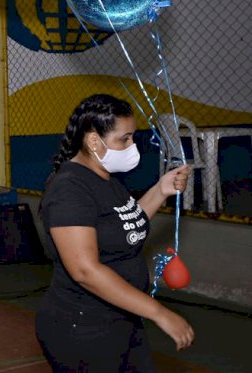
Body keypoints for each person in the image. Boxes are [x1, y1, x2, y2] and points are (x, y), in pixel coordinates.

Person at [35, 94, 195, 372]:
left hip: (122, 321)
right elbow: (84, 270)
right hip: (83, 329)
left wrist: (160, 190)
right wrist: (159, 312)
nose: (132, 146)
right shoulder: (69, 189)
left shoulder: (106, 180)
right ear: (93, 141)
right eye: (124, 139)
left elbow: (126, 226)